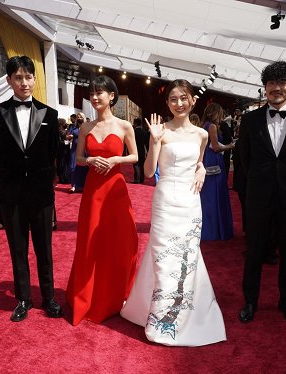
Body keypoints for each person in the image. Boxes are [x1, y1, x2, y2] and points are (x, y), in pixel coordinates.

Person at [121, 79, 226, 346]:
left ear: (193, 101)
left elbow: (199, 162)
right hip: (166, 200)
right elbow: (147, 172)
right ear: (167, 103)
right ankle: (161, 320)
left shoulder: (202, 135)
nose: (178, 103)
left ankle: (183, 314)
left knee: (186, 257)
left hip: (191, 203)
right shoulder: (162, 131)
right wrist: (155, 141)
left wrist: (201, 169)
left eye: (183, 98)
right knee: (163, 258)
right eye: (173, 99)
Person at [0, 55, 62, 322]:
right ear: (9, 81)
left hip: (41, 194)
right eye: (18, 78)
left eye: (28, 77)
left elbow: (54, 154)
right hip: (12, 195)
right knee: (17, 249)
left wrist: (47, 185)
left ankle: (49, 297)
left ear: (35, 79)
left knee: (45, 249)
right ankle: (23, 299)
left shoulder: (49, 115)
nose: (24, 82)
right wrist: (5, 187)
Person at [238, 61, 286, 325]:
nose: (276, 88)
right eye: (271, 83)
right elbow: (244, 158)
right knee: (255, 250)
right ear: (265, 88)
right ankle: (250, 301)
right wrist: (262, 179)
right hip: (259, 195)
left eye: (282, 83)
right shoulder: (249, 120)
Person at [66, 75, 138, 326]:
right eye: (92, 93)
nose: (95, 97)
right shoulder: (86, 127)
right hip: (94, 191)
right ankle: (88, 295)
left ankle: (116, 294)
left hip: (116, 191)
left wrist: (116, 160)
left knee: (119, 241)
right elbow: (78, 159)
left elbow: (135, 156)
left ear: (112, 96)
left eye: (100, 93)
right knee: (90, 242)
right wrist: (90, 160)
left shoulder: (124, 126)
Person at [200, 103, 234, 240]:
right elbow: (215, 147)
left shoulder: (204, 125)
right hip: (214, 161)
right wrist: (230, 147)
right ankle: (216, 229)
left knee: (208, 195)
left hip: (207, 160)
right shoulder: (212, 126)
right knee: (216, 194)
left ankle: (208, 227)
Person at [67, 112, 88, 192]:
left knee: (83, 167)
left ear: (83, 118)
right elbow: (68, 135)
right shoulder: (73, 126)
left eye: (80, 117)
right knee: (73, 167)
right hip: (74, 149)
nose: (79, 118)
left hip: (84, 149)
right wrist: (69, 136)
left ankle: (82, 185)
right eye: (78, 117)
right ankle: (73, 186)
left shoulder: (87, 126)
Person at [132, 117, 149, 183]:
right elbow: (147, 142)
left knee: (136, 165)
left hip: (134, 150)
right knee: (142, 165)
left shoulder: (133, 132)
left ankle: (137, 179)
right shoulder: (144, 132)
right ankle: (142, 179)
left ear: (135, 123)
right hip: (142, 150)